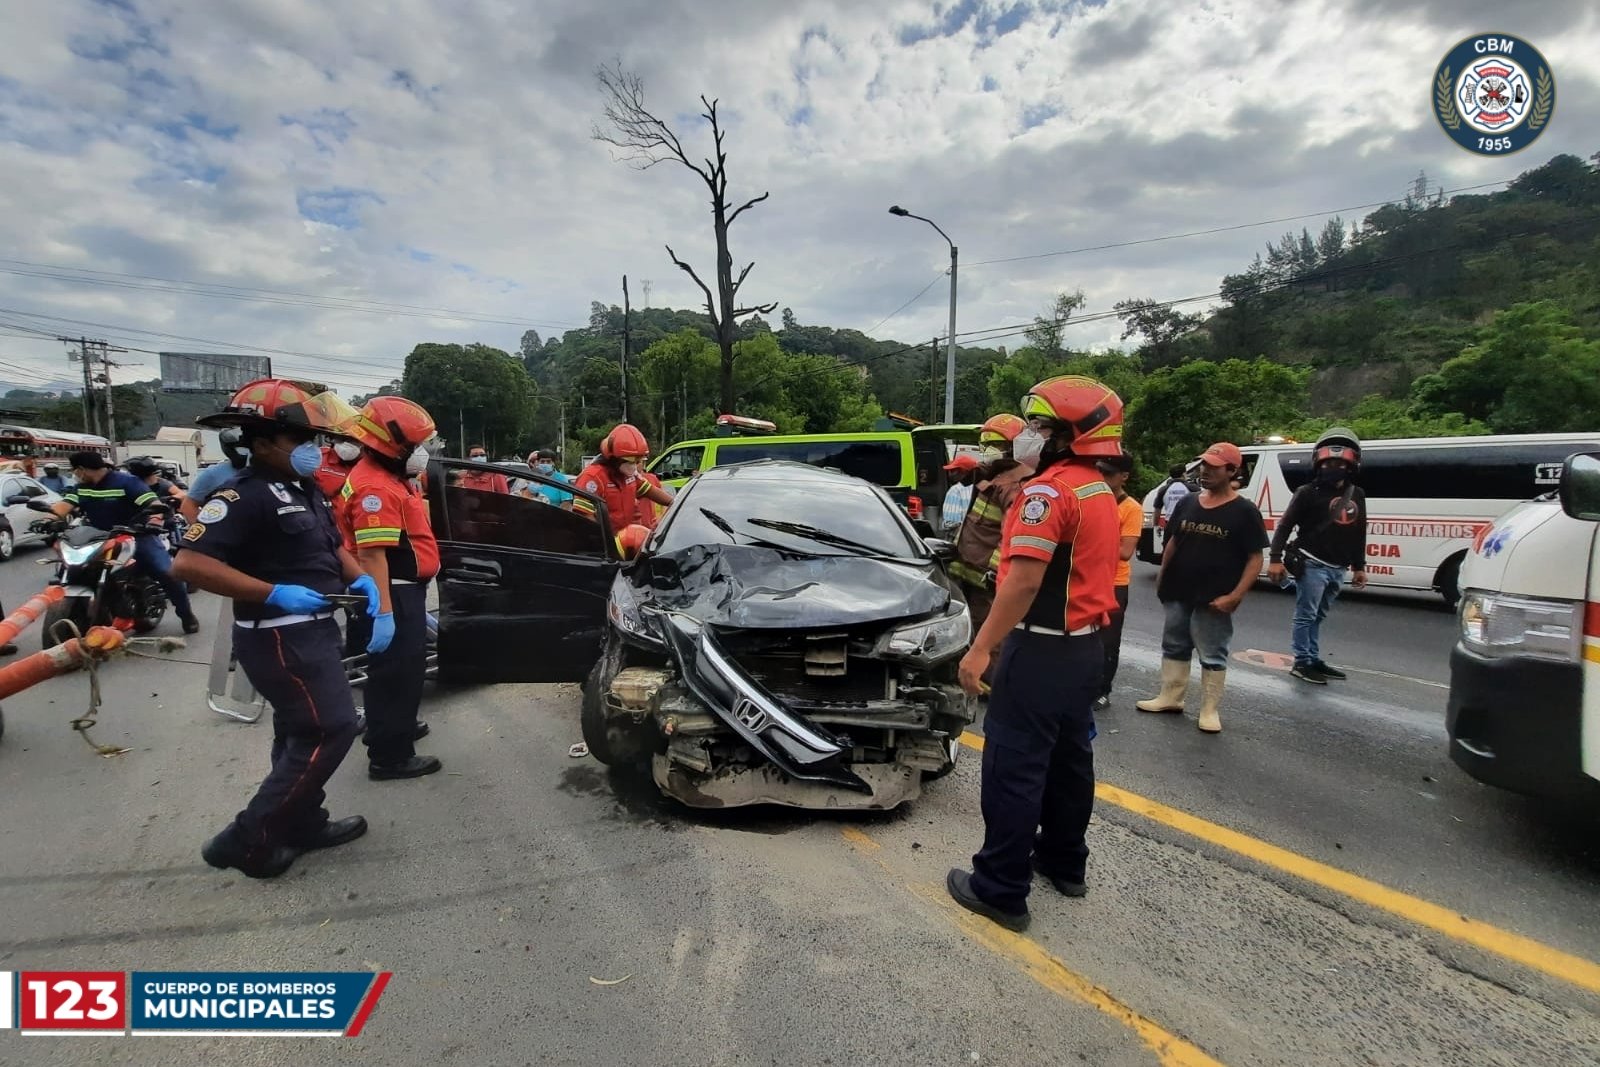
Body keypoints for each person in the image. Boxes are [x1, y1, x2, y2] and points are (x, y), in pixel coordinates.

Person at [171, 378, 378, 878]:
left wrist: (364, 581)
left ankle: (304, 821)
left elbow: (331, 548)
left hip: (314, 631)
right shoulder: (244, 496)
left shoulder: (305, 489)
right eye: (301, 441)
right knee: (332, 727)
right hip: (280, 635)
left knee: (296, 731)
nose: (313, 450)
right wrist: (271, 591)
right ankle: (248, 840)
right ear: (262, 443)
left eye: (315, 440)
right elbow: (189, 565)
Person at [945, 376, 1123, 932]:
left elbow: (1020, 584)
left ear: (1072, 435)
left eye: (1040, 426)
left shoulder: (1048, 494)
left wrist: (980, 650)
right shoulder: (1098, 489)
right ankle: (1065, 862)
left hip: (1041, 649)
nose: (1028, 435)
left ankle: (999, 888)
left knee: (1014, 768)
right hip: (1085, 650)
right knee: (1071, 762)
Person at [338, 395, 442, 780]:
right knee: (395, 673)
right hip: (393, 592)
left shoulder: (388, 477)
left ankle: (396, 727)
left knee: (401, 670)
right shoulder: (375, 488)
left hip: (399, 590)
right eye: (414, 446)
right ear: (391, 445)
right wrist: (383, 611)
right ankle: (390, 755)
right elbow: (372, 556)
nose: (421, 454)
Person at [1137, 442, 1267, 733]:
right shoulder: (1189, 501)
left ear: (1232, 470)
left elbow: (1255, 558)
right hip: (1178, 588)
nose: (1205, 471)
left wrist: (1236, 595)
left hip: (1215, 595)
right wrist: (1162, 574)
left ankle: (1209, 710)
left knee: (1212, 651)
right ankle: (1170, 697)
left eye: (1213, 467)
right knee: (1174, 643)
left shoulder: (1244, 511)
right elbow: (1173, 540)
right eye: (1203, 466)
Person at [52, 451, 200, 635]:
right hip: (97, 539)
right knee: (72, 568)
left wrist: (154, 520)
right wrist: (46, 518)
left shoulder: (127, 482)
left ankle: (186, 615)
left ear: (82, 469)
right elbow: (64, 505)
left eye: (75, 470)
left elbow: (152, 503)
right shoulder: (82, 486)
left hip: (135, 536)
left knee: (167, 572)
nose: (75, 474)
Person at [1269, 426, 1368, 685]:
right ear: (1318, 463)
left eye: (1339, 463)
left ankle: (1313, 657)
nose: (1333, 467)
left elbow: (1359, 530)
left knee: (1318, 615)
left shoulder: (1356, 494)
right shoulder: (1306, 492)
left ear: (1351, 465)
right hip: (1312, 563)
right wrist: (1276, 559)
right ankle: (1302, 662)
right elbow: (1285, 526)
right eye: (1328, 462)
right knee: (1306, 615)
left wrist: (1359, 566)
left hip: (1338, 567)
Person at [948, 413, 1033, 631]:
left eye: (995, 444)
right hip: (968, 573)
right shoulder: (995, 475)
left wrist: (996, 572)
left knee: (985, 632)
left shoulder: (1014, 485)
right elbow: (976, 474)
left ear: (1014, 447)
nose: (988, 449)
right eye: (985, 444)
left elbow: (1011, 533)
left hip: (986, 581)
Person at [1095, 450, 1141, 710]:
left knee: (1108, 640)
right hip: (1088, 577)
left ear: (1124, 477)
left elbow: (1125, 551)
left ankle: (1103, 690)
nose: (1102, 476)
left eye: (1108, 473)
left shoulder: (1130, 508)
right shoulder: (1095, 499)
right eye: (1099, 471)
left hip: (1114, 583)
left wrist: (1091, 543)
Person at [572, 424, 674, 528]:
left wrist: (675, 503)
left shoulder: (628, 475)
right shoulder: (592, 477)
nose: (634, 466)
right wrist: (605, 540)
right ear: (613, 458)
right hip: (605, 540)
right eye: (630, 461)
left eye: (637, 461)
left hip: (630, 538)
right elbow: (584, 516)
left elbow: (649, 490)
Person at [181, 429, 248, 523]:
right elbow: (188, 506)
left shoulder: (266, 470)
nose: (245, 453)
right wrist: (203, 532)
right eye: (240, 449)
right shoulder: (213, 473)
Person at [314, 434, 363, 499]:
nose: (347, 445)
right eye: (343, 439)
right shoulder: (318, 456)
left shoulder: (370, 466)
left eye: (353, 440)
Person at [1157, 463, 1191, 527]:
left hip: (1169, 523)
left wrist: (1155, 525)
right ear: (1183, 474)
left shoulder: (1163, 489)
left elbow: (1157, 509)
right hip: (1187, 524)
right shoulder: (1193, 488)